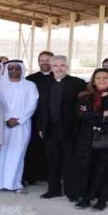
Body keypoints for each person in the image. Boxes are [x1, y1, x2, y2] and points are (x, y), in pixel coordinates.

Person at [73, 69, 108, 211]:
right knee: (86, 167)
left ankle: (102, 199)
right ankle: (86, 197)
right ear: (93, 80)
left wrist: (90, 114)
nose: (101, 80)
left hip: (107, 137)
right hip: (86, 138)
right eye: (98, 78)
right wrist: (103, 114)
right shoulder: (84, 96)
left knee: (105, 169)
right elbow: (80, 115)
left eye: (105, 78)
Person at [37, 55, 86, 200]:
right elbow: (41, 107)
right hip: (50, 128)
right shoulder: (45, 84)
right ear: (51, 68)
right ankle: (54, 190)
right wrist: (41, 126)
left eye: (62, 65)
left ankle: (72, 192)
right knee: (52, 161)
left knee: (70, 162)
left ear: (67, 67)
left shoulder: (77, 83)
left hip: (70, 129)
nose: (59, 68)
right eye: (56, 66)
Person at [0, 60, 38, 192]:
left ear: (22, 70)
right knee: (1, 153)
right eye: (10, 68)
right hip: (3, 123)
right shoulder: (0, 85)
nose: (14, 71)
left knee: (18, 153)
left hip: (22, 125)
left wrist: (20, 119)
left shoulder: (30, 85)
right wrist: (7, 118)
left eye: (17, 68)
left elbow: (32, 104)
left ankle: (15, 183)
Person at [24, 50, 53, 185]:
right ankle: (32, 176)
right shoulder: (31, 79)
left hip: (53, 119)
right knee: (33, 147)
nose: (44, 63)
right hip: (34, 118)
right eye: (42, 60)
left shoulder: (58, 77)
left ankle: (49, 175)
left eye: (47, 60)